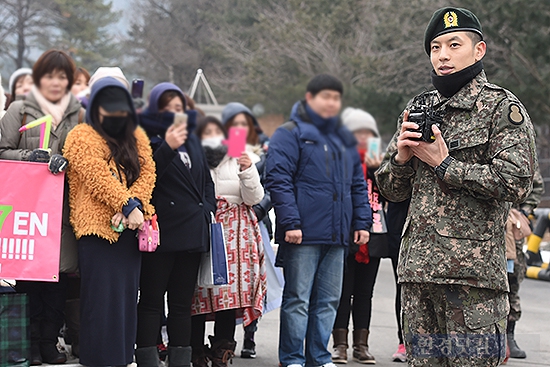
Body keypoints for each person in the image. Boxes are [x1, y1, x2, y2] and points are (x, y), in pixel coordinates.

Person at [375, 7, 537, 366]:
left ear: (478, 51)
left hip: (472, 282)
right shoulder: (420, 106)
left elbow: (517, 182)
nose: (443, 55)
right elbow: (389, 189)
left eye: (453, 44)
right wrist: (402, 158)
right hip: (419, 276)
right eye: (435, 48)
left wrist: (444, 164)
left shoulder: (501, 108)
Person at [266, 74, 372, 367]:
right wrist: (290, 222)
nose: (332, 103)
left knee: (328, 302)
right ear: (310, 98)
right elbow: (278, 180)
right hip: (303, 232)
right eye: (326, 96)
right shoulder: (289, 133)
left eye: (336, 98)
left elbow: (357, 184)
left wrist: (362, 223)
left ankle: (319, 358)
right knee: (298, 299)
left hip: (338, 234)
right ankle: (292, 359)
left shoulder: (344, 138)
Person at [63, 77, 156, 367]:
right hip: (97, 231)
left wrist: (135, 205)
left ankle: (122, 358)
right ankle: (97, 359)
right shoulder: (81, 135)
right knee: (100, 300)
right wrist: (126, 205)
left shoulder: (136, 135)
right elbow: (96, 175)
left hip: (130, 229)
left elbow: (148, 172)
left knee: (127, 299)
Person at [0, 49, 83, 365]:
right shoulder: (20, 110)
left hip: (62, 212)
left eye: (62, 76)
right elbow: (2, 151)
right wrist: (27, 158)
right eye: (49, 75)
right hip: (28, 211)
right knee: (28, 278)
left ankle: (49, 342)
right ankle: (31, 343)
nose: (55, 82)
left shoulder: (80, 115)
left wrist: (68, 163)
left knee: (58, 281)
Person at [136, 82, 216, 367]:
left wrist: (207, 209)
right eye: (167, 108)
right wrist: (168, 146)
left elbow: (206, 181)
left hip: (193, 231)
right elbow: (146, 178)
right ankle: (146, 357)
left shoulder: (193, 138)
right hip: (162, 231)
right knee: (151, 301)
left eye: (179, 108)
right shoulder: (145, 137)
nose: (174, 113)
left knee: (183, 304)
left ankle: (180, 359)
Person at [191, 115, 267, 367]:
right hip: (204, 227)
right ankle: (196, 352)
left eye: (216, 130)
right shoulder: (192, 157)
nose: (212, 135)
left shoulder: (238, 155)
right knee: (197, 294)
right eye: (207, 131)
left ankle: (221, 354)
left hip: (236, 235)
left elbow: (254, 198)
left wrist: (247, 170)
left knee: (229, 293)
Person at [331, 107, 384, 365]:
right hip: (345, 232)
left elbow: (392, 195)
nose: (363, 137)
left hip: (373, 234)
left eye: (368, 132)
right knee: (342, 291)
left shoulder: (380, 162)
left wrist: (379, 170)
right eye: (358, 132)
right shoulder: (339, 158)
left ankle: (361, 345)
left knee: (365, 293)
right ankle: (339, 345)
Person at [221, 102, 272, 359]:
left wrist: (260, 211)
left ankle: (249, 337)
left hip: (255, 224)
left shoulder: (261, 153)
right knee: (223, 287)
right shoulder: (214, 154)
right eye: (235, 124)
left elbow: (269, 188)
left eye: (244, 124)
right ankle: (218, 345)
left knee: (252, 285)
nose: (239, 129)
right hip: (225, 227)